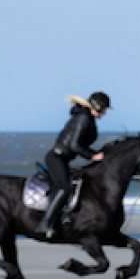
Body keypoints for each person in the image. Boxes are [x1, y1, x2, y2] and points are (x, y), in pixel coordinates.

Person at [35, 91, 111, 237]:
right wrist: (92, 156)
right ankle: (44, 223)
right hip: (56, 158)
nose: (106, 113)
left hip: (63, 160)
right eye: (105, 109)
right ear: (98, 107)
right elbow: (74, 145)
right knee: (64, 188)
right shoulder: (83, 118)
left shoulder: (87, 118)